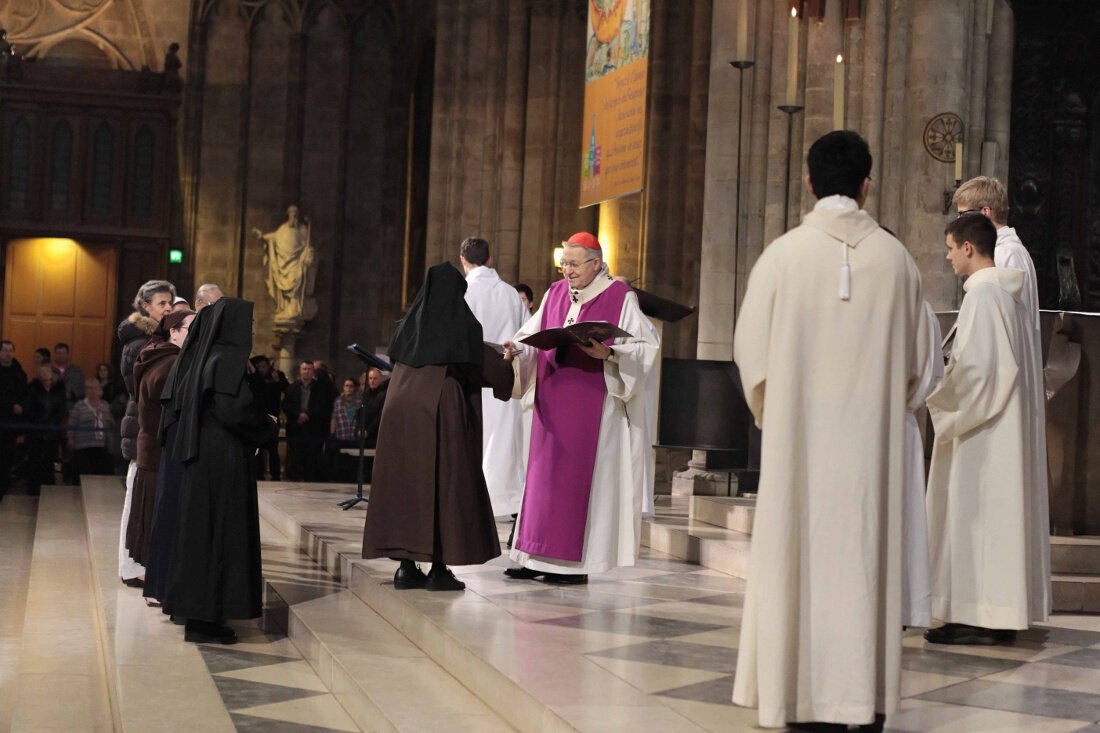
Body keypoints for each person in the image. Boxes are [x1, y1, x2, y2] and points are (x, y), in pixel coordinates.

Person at [729, 131, 927, 731]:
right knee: (863, 565)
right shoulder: (897, 260)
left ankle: (796, 698)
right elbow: (922, 368)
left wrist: (781, 413)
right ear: (867, 184)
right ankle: (861, 702)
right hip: (872, 461)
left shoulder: (783, 255)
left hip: (800, 454)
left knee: (797, 557)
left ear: (810, 183)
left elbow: (750, 356)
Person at [502, 232, 659, 585]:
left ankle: (572, 566)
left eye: (574, 264)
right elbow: (532, 334)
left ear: (596, 263)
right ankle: (532, 555)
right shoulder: (555, 293)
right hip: (551, 399)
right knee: (542, 481)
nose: (567, 271)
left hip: (593, 403)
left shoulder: (621, 297)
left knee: (576, 485)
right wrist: (517, 348)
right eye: (564, 264)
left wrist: (609, 353)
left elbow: (646, 348)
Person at [923, 213, 1050, 645]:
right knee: (989, 523)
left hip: (981, 430)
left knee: (970, 518)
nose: (947, 257)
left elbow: (978, 373)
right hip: (997, 425)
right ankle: (995, 616)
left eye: (950, 248)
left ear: (968, 248)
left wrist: (939, 393)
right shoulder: (1002, 294)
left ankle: (970, 613)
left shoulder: (983, 296)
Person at [362, 263, 514, 592]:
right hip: (442, 408)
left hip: (400, 410)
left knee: (407, 484)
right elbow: (484, 368)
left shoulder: (408, 324)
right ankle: (438, 569)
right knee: (444, 482)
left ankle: (405, 567)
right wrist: (507, 365)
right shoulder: (460, 323)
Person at [160, 298, 278, 644]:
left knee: (200, 535)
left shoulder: (204, 356)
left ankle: (194, 610)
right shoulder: (226, 358)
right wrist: (267, 427)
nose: (253, 329)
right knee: (218, 535)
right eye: (250, 323)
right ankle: (205, 619)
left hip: (204, 458)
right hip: (222, 460)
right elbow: (233, 410)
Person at [460, 236, 530, 517]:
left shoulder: (462, 291)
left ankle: (470, 502)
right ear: (490, 259)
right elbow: (527, 336)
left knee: (472, 438)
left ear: (463, 260)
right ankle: (502, 501)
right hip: (503, 375)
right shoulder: (511, 294)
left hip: (470, 378)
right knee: (501, 441)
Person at [127, 309, 195, 576]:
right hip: (158, 452)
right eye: (191, 328)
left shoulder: (157, 355)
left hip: (150, 449)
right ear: (174, 332)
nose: (195, 334)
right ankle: (156, 583)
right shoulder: (170, 363)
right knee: (158, 522)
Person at [117, 279, 176, 587]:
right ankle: (129, 567)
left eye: (170, 303)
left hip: (143, 428)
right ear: (145, 307)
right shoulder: (140, 344)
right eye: (162, 303)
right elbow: (141, 391)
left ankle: (135, 564)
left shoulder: (153, 340)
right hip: (140, 428)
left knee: (139, 499)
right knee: (135, 500)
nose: (168, 308)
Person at [903, 302, 943, 629]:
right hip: (903, 422)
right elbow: (935, 378)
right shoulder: (923, 308)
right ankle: (903, 607)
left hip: (881, 421)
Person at [253, 205, 318, 327]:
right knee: (286, 286)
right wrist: (262, 237)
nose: (295, 218)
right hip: (284, 266)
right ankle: (286, 308)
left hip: (296, 266)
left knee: (297, 281)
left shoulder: (303, 230)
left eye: (296, 215)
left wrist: (309, 255)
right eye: (292, 215)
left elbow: (308, 247)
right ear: (288, 215)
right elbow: (273, 237)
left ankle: (294, 308)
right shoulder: (282, 229)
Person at [282, 360, 331, 481]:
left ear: (313, 371)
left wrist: (308, 415)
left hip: (313, 428)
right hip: (296, 426)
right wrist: (298, 415)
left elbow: (323, 405)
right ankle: (294, 479)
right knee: (295, 457)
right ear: (300, 371)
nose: (306, 371)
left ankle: (311, 480)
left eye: (309, 369)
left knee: (312, 457)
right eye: (304, 369)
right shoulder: (292, 387)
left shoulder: (320, 388)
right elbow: (286, 405)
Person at [24, 363, 69, 494]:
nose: (44, 373)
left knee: (49, 459)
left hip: (52, 430)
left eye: (47, 370)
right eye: (42, 371)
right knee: (34, 459)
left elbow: (62, 407)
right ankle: (33, 488)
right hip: (35, 430)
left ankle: (48, 488)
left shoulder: (59, 387)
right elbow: (30, 407)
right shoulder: (33, 387)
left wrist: (52, 422)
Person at [67, 378, 115, 478]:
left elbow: (110, 423)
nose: (92, 391)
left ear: (100, 390)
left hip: (101, 445)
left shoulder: (105, 405)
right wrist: (71, 440)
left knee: (100, 473)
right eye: (89, 388)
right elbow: (71, 424)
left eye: (95, 388)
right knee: (84, 473)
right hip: (83, 446)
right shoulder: (79, 406)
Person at [249, 355, 286, 480]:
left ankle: (275, 475)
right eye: (259, 367)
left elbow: (286, 389)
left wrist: (278, 381)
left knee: (272, 448)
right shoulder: (255, 378)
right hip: (259, 417)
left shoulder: (277, 374)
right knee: (258, 448)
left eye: (263, 366)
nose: (261, 369)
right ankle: (259, 474)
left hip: (273, 416)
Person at [0, 340, 28, 500]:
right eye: (5, 350)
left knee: (7, 457)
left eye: (11, 350)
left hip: (10, 425)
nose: (8, 353)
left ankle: (4, 486)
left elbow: (24, 395)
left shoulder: (19, 373)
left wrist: (20, 406)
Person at [327, 377, 360, 481]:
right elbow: (334, 418)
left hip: (353, 434)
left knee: (352, 461)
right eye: (346, 386)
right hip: (341, 434)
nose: (349, 388)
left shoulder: (359, 402)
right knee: (339, 460)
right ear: (343, 387)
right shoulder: (338, 401)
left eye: (351, 386)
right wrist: (332, 433)